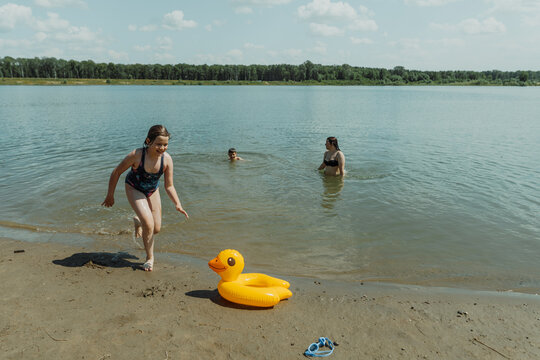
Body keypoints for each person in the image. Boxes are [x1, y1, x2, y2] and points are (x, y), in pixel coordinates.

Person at [101, 125, 189, 271]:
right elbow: (116, 172)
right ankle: (149, 258)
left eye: (165, 144)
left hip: (152, 190)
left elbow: (169, 186)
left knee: (156, 228)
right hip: (134, 187)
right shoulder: (136, 155)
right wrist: (110, 195)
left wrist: (178, 204)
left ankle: (138, 221)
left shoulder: (167, 160)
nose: (162, 148)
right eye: (158, 144)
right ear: (149, 141)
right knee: (149, 224)